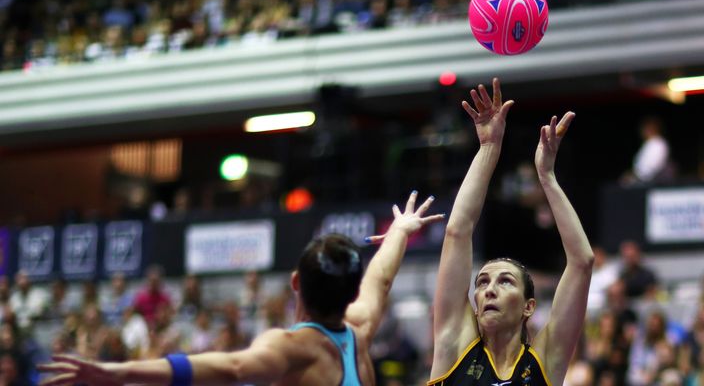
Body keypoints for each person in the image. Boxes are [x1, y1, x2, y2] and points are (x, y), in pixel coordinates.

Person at [37, 191, 444, 385]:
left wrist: (118, 371)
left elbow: (229, 367)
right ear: (351, 293)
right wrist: (401, 232)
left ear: (295, 283)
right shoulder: (360, 330)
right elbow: (381, 278)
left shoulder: (292, 346)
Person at [428, 78, 594, 386]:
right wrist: (488, 148)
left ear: (529, 306)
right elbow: (457, 231)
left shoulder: (545, 361)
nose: (489, 290)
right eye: (482, 282)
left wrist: (547, 178)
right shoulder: (455, 345)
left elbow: (582, 261)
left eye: (505, 281)